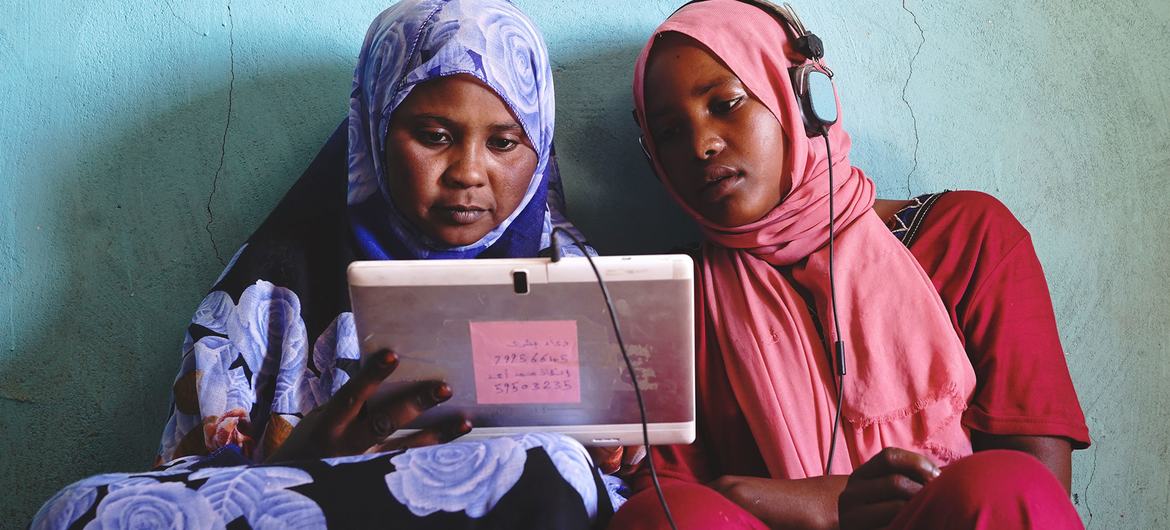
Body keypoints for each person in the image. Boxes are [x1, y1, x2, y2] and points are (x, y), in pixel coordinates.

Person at [31, 1, 615, 528]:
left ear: (539, 145)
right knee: (76, 509)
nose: (467, 171)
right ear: (375, 133)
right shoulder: (269, 290)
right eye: (434, 136)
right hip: (313, 509)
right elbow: (194, 480)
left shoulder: (582, 279)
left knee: (550, 464)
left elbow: (636, 476)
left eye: (504, 143)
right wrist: (296, 465)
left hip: (512, 506)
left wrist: (612, 443)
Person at [608, 1, 1090, 528]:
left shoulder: (965, 238)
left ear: (804, 99)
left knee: (1002, 483)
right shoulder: (678, 300)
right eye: (670, 133)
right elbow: (674, 495)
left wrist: (819, 501)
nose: (702, 145)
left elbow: (1034, 494)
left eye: (726, 103)